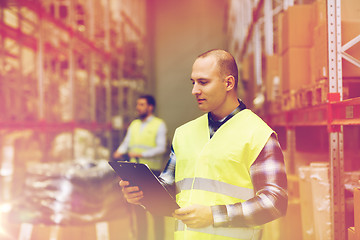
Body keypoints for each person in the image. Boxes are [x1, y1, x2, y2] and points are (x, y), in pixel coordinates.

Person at [120, 49, 288, 240]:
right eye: (193, 82)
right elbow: (169, 186)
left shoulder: (258, 134)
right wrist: (142, 194)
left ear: (229, 83)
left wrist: (213, 215)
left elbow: (275, 202)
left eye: (203, 82)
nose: (195, 91)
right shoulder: (184, 133)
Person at [113, 94, 167, 240]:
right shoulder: (134, 125)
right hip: (134, 172)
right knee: (138, 210)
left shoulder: (158, 124)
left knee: (157, 211)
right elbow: (127, 142)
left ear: (150, 107)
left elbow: (161, 148)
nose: (138, 107)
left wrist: (141, 153)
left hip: (152, 172)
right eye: (138, 104)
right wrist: (119, 151)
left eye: (142, 105)